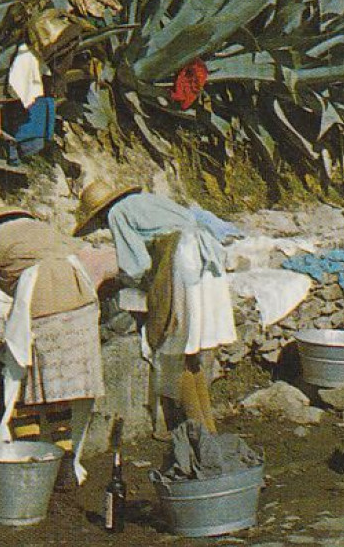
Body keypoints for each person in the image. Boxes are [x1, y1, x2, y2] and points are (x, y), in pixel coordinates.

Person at [0, 191, 112, 485]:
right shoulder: (40, 228)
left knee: (23, 390)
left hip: (45, 308)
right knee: (56, 390)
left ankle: (35, 462)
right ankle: (64, 463)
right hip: (82, 304)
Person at [75, 180, 237, 432]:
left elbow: (136, 265)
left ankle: (199, 432)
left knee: (174, 345)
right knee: (191, 347)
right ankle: (208, 428)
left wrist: (117, 282)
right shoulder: (149, 200)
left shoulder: (118, 213)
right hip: (206, 262)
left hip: (184, 262)